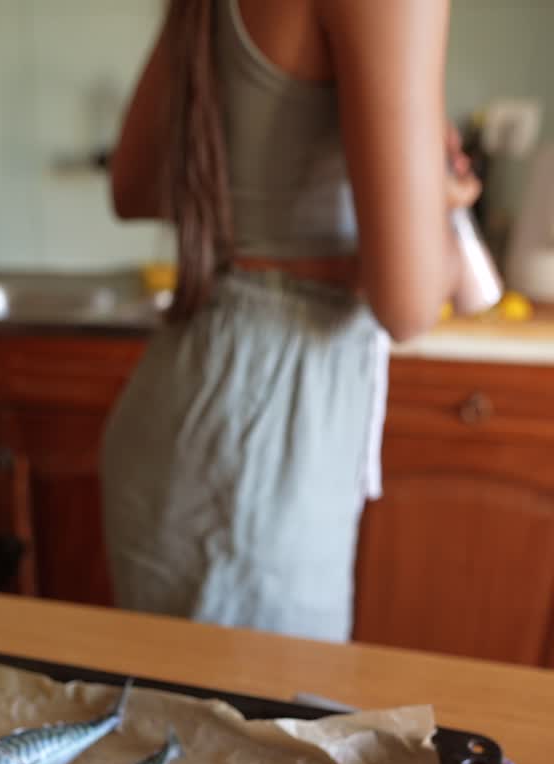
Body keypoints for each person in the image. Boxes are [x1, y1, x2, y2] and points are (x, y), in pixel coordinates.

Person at [102, 0, 480, 642]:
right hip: (269, 430)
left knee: (175, 695)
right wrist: (437, 199)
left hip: (188, 389)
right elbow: (410, 303)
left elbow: (135, 184)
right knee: (268, 700)